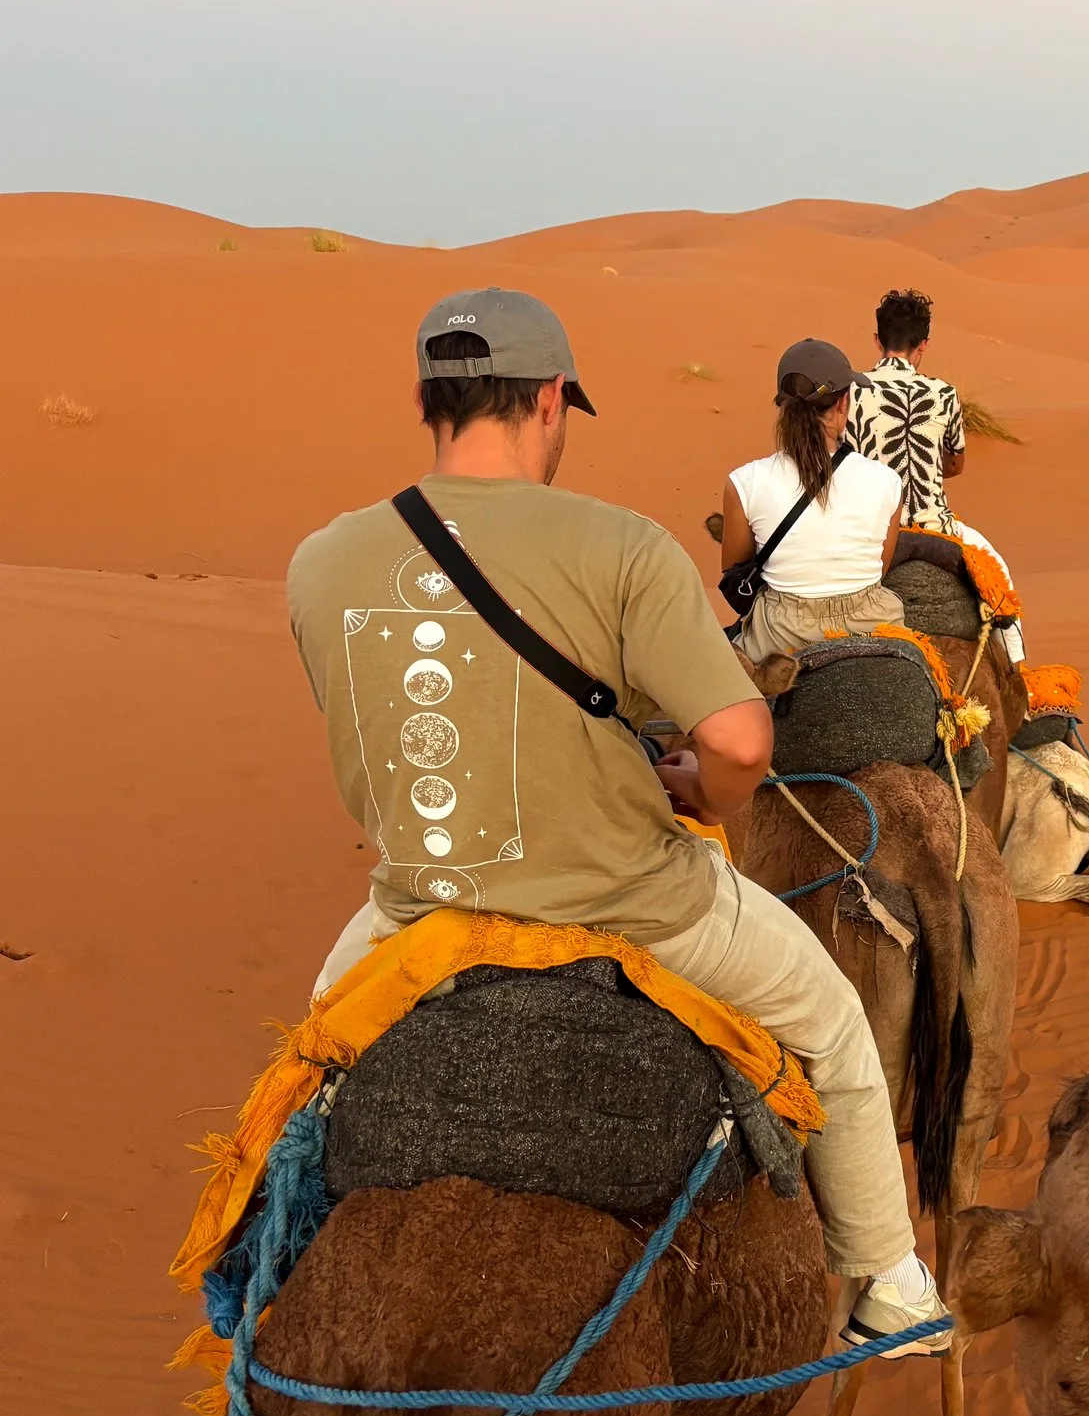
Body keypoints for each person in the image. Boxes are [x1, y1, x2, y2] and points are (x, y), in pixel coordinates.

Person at [285, 288, 944, 1356]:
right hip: (638, 907)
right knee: (835, 1029)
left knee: (305, 1070)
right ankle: (890, 1286)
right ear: (550, 401)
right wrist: (701, 792)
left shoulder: (320, 562)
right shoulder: (623, 547)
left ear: (426, 401)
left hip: (420, 912)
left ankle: (272, 1267)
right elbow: (737, 742)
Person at [847, 288, 1027, 666]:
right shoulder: (944, 394)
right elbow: (956, 463)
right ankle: (1017, 669)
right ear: (923, 345)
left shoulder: (851, 392)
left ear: (877, 340)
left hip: (872, 529)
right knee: (1001, 580)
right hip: (936, 526)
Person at [720, 339, 906, 661]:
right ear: (843, 404)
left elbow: (734, 570)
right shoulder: (887, 481)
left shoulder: (744, 483)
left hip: (780, 633)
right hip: (872, 624)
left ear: (782, 408)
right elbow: (880, 567)